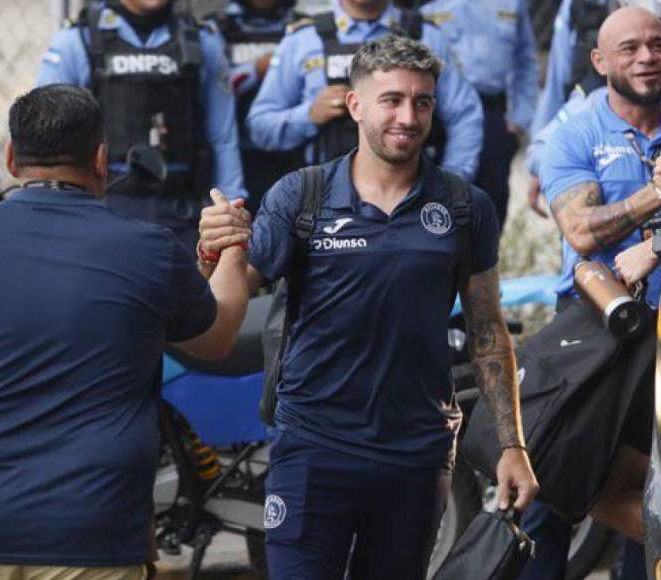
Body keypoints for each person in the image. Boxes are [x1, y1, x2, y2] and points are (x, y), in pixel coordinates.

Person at [0, 84, 251, 580]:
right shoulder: (146, 250)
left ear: (10, 158)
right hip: (95, 539)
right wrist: (233, 245)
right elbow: (217, 337)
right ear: (100, 159)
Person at [200, 35, 538, 579]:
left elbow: (486, 329)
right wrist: (212, 246)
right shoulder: (301, 196)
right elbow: (230, 287)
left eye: (422, 102)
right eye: (392, 100)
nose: (408, 116)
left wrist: (512, 445)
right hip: (312, 448)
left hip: (415, 455)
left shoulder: (463, 206)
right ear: (355, 105)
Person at [519, 6, 661, 580]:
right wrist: (657, 195)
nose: (646, 57)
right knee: (554, 487)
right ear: (599, 61)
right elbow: (580, 230)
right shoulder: (576, 131)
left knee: (657, 491)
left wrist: (657, 242)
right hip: (590, 330)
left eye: (656, 45)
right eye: (630, 48)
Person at [38, 0, 248, 257]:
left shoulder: (203, 42)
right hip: (102, 212)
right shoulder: (77, 40)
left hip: (184, 213)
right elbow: (48, 144)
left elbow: (223, 138)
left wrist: (230, 215)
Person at [245, 0, 484, 181]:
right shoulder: (303, 40)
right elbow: (260, 127)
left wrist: (453, 181)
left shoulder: (426, 36)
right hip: (323, 201)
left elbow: (465, 116)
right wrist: (308, 115)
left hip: (414, 198)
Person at [420, 0, 539, 227]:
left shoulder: (514, 3)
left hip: (491, 116)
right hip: (438, 116)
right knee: (434, 206)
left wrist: (520, 120)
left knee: (489, 211)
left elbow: (525, 60)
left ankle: (485, 263)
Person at [212, 0, 305, 216]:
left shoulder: (302, 27)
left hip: (293, 150)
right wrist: (253, 70)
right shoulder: (218, 26)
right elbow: (210, 89)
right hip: (237, 153)